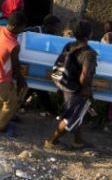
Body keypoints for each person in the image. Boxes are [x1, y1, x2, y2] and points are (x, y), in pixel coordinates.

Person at [45, 20, 98, 150]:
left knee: (77, 113)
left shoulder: (69, 46)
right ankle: (52, 141)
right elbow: (84, 77)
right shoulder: (89, 54)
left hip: (66, 85)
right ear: (90, 34)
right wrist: (86, 90)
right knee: (71, 117)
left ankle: (78, 141)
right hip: (77, 89)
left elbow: (61, 66)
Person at [0, 10, 28, 133]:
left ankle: (1, 118)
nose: (23, 30)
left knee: (2, 99)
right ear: (16, 27)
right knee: (11, 102)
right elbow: (16, 66)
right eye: (22, 27)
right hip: (1, 79)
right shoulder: (13, 45)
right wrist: (21, 80)